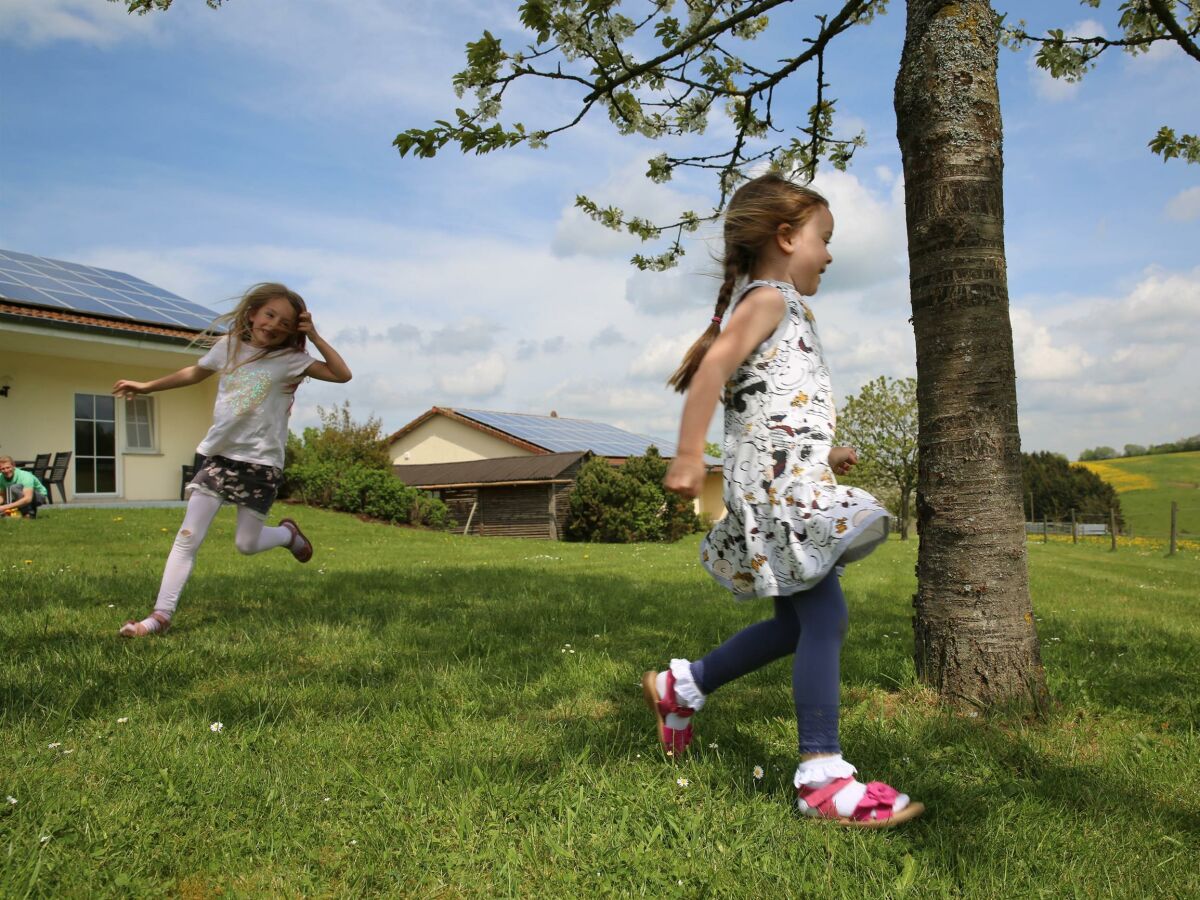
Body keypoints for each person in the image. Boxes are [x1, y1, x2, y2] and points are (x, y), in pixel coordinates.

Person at [643, 173, 922, 828]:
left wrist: (823, 456)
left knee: (797, 625)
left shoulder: (784, 305)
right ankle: (821, 777)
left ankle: (684, 686)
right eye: (824, 238)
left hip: (789, 481)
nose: (829, 253)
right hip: (777, 495)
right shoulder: (767, 298)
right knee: (826, 621)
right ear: (786, 236)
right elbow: (714, 368)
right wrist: (687, 454)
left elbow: (764, 409)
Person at [112, 283, 351, 637]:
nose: (274, 325)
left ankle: (287, 535)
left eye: (285, 323)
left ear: (293, 330)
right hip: (218, 456)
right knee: (187, 536)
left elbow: (341, 374)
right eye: (270, 315)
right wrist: (147, 386)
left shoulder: (291, 361)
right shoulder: (228, 347)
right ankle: (160, 616)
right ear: (252, 313)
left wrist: (313, 334)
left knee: (246, 544)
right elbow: (195, 373)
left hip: (261, 463)